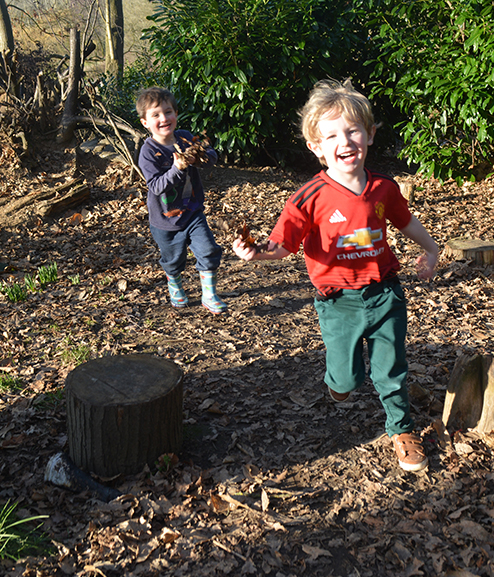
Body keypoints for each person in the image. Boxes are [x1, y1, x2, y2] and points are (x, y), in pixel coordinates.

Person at [232, 79, 439, 471]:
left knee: (391, 369)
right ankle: (339, 381)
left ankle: (402, 428)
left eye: (353, 130)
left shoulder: (383, 189)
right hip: (337, 303)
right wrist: (254, 254)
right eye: (331, 135)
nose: (344, 141)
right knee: (346, 381)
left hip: (385, 293)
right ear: (316, 147)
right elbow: (281, 247)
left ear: (370, 135)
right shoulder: (308, 197)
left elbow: (405, 222)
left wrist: (431, 250)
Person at [136, 87, 227, 314]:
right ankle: (175, 286)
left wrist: (201, 157)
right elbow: (156, 186)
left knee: (208, 250)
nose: (163, 118)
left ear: (176, 114)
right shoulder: (148, 152)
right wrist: (177, 167)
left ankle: (209, 295)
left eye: (168, 112)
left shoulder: (186, 138)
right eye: (155, 115)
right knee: (173, 260)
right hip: (165, 220)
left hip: (193, 212)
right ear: (145, 122)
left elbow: (211, 156)